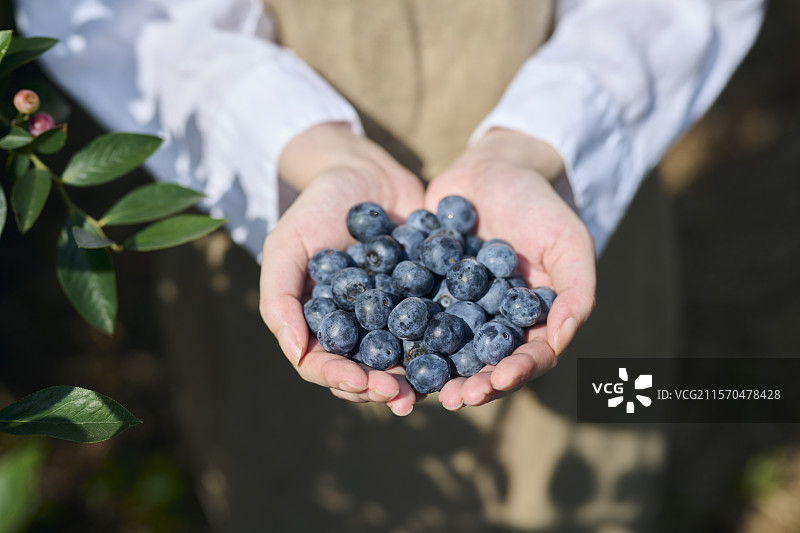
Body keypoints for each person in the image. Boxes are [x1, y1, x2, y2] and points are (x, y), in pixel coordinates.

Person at [16, 1, 765, 531]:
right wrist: (309, 152)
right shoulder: (333, 263)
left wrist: (541, 142)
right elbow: (111, 17)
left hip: (568, 194)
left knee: (587, 476)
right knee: (293, 481)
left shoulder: (514, 254)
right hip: (276, 204)